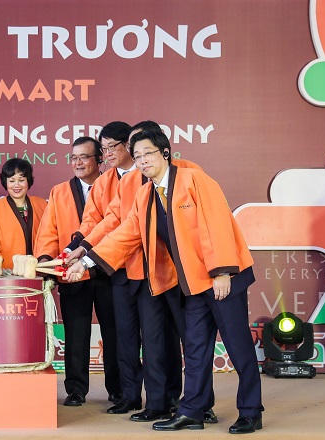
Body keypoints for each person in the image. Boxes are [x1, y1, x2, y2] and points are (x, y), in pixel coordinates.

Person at [65, 129, 263, 434]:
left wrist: (222, 272)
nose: (143, 161)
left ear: (165, 153)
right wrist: (86, 262)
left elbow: (218, 223)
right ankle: (192, 411)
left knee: (238, 346)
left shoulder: (194, 179)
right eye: (138, 156)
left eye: (149, 153)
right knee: (195, 349)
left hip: (225, 277)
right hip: (193, 284)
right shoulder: (145, 195)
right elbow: (124, 235)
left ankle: (251, 411)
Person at [67, 121, 207, 421]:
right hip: (126, 268)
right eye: (136, 150)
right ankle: (151, 401)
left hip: (174, 271)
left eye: (143, 150)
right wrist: (85, 249)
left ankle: (194, 403)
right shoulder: (129, 184)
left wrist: (220, 269)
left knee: (184, 339)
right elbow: (116, 224)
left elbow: (209, 224)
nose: (138, 155)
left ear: (161, 149)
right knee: (142, 339)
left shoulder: (189, 173)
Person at [34, 137, 118, 407]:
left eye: (84, 157)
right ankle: (76, 390)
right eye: (74, 157)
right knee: (75, 334)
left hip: (109, 270)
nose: (78, 162)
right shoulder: (59, 192)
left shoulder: (115, 186)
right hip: (72, 273)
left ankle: (119, 390)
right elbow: (49, 230)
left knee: (115, 333)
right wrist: (46, 261)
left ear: (99, 159)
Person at [0, 158, 47, 270]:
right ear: (5, 182)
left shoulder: (42, 205)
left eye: (21, 180)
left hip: (39, 269)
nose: (17, 185)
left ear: (28, 181)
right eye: (11, 181)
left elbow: (49, 237)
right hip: (7, 271)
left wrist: (45, 260)